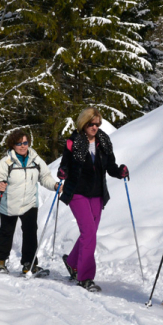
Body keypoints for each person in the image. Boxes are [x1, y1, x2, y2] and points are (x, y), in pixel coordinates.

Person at [57, 108, 128, 292]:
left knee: (89, 234)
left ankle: (72, 262)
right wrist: (63, 172)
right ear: (84, 123)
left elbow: (110, 166)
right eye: (91, 124)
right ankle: (85, 277)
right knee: (88, 233)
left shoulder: (103, 141)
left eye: (97, 124)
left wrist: (119, 171)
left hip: (97, 193)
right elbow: (65, 164)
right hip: (77, 192)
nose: (95, 127)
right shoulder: (74, 142)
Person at [0, 130, 60, 276]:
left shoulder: (35, 159)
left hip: (29, 202)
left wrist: (54, 185)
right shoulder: (6, 162)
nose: (22, 146)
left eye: (25, 143)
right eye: (19, 143)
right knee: (6, 232)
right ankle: (1, 261)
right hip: (10, 203)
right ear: (13, 145)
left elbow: (45, 176)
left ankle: (30, 263)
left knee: (30, 233)